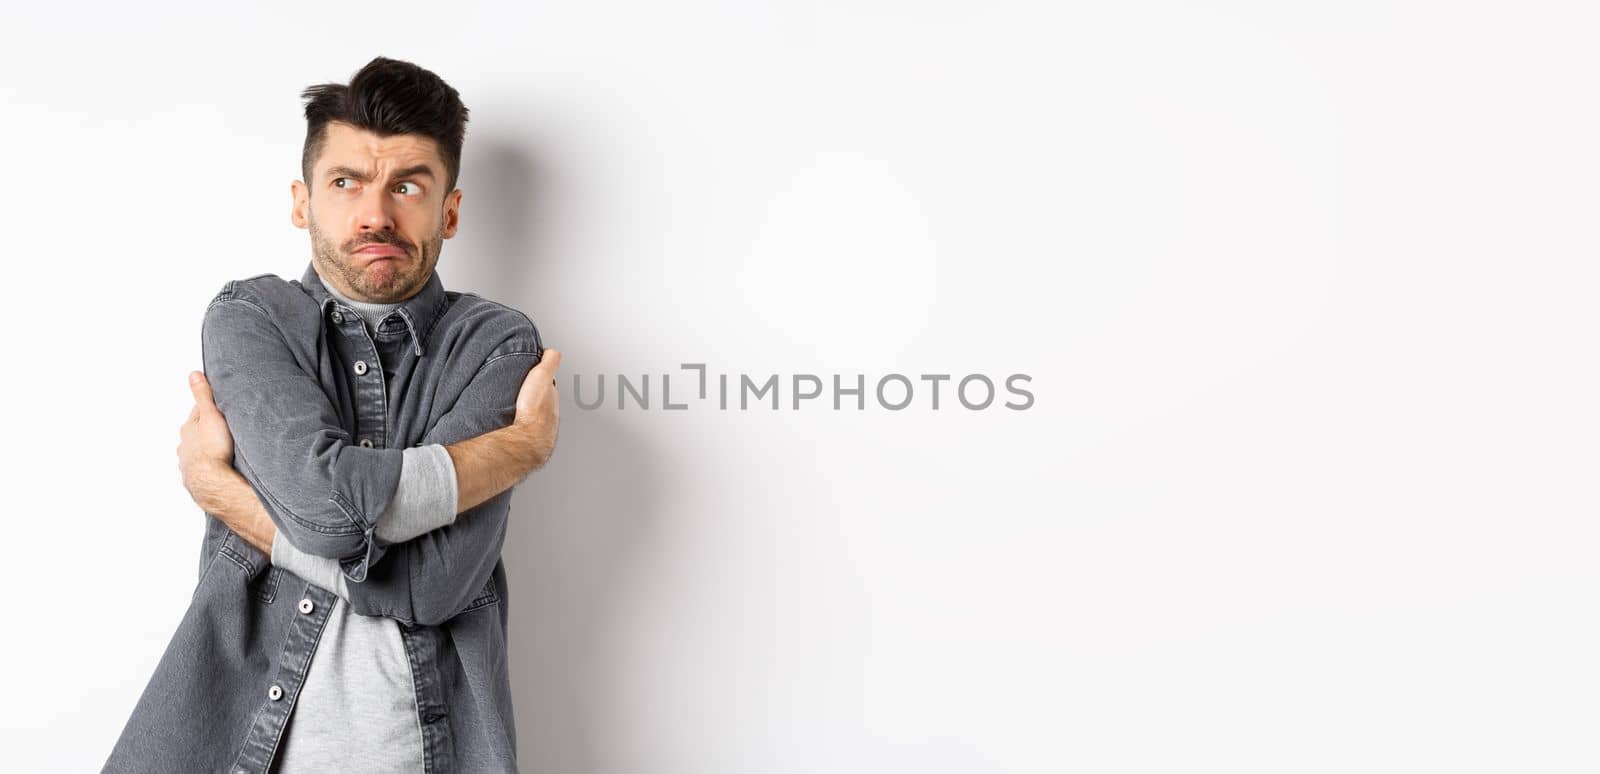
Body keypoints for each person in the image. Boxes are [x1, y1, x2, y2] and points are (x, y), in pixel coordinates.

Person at [102, 56, 560, 773]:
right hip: (232, 747)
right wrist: (519, 449)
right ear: (301, 201)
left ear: (450, 211)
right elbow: (327, 513)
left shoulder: (496, 342)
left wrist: (238, 506)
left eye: (408, 185)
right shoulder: (251, 317)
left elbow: (431, 586)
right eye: (346, 182)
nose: (376, 213)